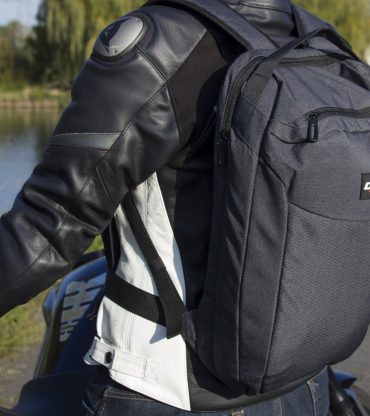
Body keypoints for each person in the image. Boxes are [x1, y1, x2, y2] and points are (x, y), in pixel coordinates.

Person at [0, 0, 330, 415]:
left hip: (168, 385)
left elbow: (47, 226)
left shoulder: (157, 47)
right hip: (304, 383)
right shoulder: (317, 40)